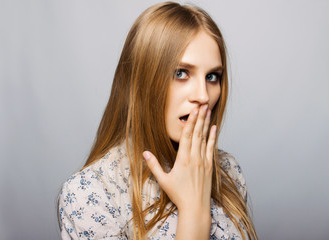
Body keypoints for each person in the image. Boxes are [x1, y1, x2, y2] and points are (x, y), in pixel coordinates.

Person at [58, 2, 258, 239]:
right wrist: (194, 212)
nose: (203, 96)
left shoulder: (227, 171)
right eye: (181, 73)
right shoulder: (90, 191)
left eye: (212, 76)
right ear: (141, 80)